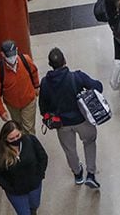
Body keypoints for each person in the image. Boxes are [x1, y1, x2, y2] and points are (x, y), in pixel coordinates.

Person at [38, 47, 103, 189]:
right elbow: (97, 87)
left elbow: (43, 107)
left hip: (61, 124)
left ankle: (78, 174)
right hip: (82, 119)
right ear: (65, 61)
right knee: (89, 141)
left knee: (70, 149)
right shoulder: (77, 77)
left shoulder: (45, 83)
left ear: (50, 64)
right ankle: (90, 174)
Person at [0, 120, 48, 215]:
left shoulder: (31, 140)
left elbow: (42, 157)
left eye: (18, 136)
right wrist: (8, 187)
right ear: (5, 139)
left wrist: (39, 175)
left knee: (35, 205)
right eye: (11, 139)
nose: (16, 140)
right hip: (16, 192)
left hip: (34, 186)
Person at [0, 40, 40, 135]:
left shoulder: (26, 60)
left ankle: (30, 146)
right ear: (3, 54)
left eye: (14, 54)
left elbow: (34, 72)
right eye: (9, 55)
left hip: (28, 101)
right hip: (12, 105)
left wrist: (36, 86)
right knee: (18, 127)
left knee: (29, 128)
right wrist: (1, 110)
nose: (12, 58)